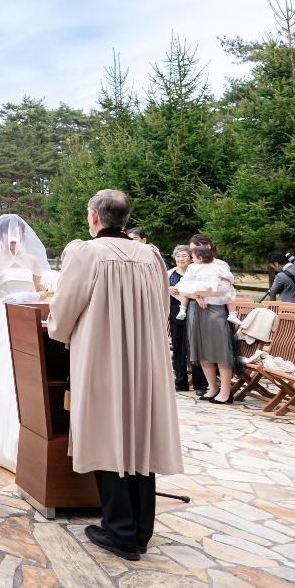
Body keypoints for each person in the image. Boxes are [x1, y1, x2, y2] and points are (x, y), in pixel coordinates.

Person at [49, 189, 182, 561]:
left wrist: (59, 330)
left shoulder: (85, 253)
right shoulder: (151, 255)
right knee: (139, 434)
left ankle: (120, 530)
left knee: (107, 432)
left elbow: (63, 313)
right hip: (146, 358)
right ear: (124, 218)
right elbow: (161, 307)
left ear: (94, 217)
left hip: (102, 355)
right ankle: (140, 531)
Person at [0, 214, 49, 471]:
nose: (13, 240)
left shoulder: (31, 260)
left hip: (27, 315)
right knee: (0, 368)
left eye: (17, 235)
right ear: (1, 236)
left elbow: (42, 290)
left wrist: (30, 295)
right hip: (1, 316)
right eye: (9, 235)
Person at [180, 241, 237, 404]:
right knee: (201, 349)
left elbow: (226, 289)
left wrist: (201, 293)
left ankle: (226, 391)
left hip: (215, 310)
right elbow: (183, 288)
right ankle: (212, 387)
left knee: (220, 350)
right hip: (195, 310)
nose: (192, 253)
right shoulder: (192, 267)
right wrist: (195, 295)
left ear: (208, 247)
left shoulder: (220, 265)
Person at [166, 244, 205, 394]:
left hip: (195, 311)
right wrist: (168, 289)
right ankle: (181, 382)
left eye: (184, 256)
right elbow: (158, 289)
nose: (181, 259)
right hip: (175, 312)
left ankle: (200, 384)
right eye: (178, 256)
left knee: (196, 347)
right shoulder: (169, 273)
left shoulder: (195, 272)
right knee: (178, 347)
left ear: (190, 258)